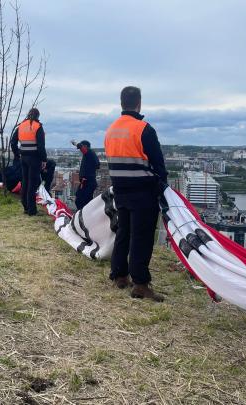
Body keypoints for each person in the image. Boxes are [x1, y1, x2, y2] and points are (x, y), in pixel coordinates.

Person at [104, 86, 168, 302]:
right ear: (139, 103)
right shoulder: (144, 129)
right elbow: (159, 165)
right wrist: (162, 186)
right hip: (143, 193)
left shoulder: (111, 130)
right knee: (141, 237)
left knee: (124, 232)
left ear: (122, 103)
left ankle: (119, 275)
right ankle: (140, 283)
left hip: (120, 191)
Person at [10, 108, 47, 215]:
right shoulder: (38, 127)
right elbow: (41, 146)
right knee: (32, 183)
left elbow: (13, 142)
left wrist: (18, 154)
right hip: (34, 158)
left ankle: (26, 206)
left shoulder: (21, 126)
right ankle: (32, 210)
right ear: (37, 116)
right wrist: (44, 159)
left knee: (25, 182)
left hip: (24, 158)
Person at [74, 140, 100, 209]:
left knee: (82, 201)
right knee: (81, 200)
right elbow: (97, 165)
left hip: (88, 182)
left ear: (85, 146)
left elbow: (83, 149)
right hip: (87, 182)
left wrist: (76, 144)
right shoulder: (90, 155)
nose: (80, 151)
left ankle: (84, 216)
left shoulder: (89, 153)